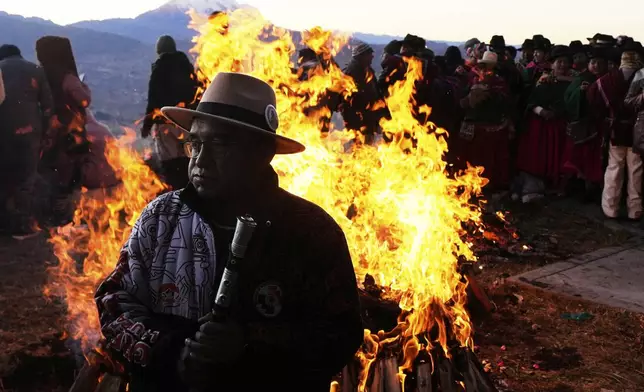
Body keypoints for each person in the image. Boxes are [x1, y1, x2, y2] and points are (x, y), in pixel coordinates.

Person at [94, 72, 363, 391]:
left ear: (262, 153)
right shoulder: (161, 217)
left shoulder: (310, 230)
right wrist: (175, 352)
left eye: (220, 144)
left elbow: (341, 334)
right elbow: (114, 300)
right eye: (195, 143)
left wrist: (249, 344)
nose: (200, 161)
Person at [36, 36, 92, 226]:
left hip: (46, 133)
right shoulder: (67, 77)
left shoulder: (39, 75)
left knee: (49, 173)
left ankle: (47, 214)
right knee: (68, 177)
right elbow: (83, 100)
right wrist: (83, 86)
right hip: (69, 135)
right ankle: (63, 217)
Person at [0, 44, 54, 238]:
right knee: (26, 178)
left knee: (3, 177)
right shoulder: (36, 70)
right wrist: (47, 134)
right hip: (30, 132)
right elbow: (48, 107)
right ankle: (21, 228)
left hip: (3, 132)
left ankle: (3, 223)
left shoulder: (1, 69)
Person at [588, 42, 644, 220]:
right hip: (639, 131)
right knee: (636, 171)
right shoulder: (642, 77)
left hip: (615, 130)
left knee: (614, 168)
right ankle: (634, 210)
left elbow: (593, 102)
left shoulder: (606, 80)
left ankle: (610, 208)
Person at [517, 45, 576, 198]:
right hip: (542, 125)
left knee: (561, 155)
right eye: (559, 62)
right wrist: (541, 111)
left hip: (562, 125)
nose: (562, 65)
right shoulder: (543, 81)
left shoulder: (573, 83)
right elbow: (532, 101)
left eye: (565, 62)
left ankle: (558, 185)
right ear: (552, 64)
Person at [141, 35, 199, 190]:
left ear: (159, 50)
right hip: (187, 121)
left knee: (170, 162)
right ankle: (192, 190)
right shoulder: (186, 66)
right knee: (189, 158)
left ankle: (175, 194)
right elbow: (196, 92)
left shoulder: (159, 68)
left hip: (165, 123)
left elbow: (153, 99)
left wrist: (146, 125)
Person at [455, 51, 512, 191]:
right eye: (483, 66)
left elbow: (505, 103)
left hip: (490, 126)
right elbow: (461, 99)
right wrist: (470, 98)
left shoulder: (500, 83)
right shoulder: (470, 79)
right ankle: (467, 185)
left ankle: (486, 187)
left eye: (488, 66)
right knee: (469, 157)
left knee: (488, 159)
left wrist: (489, 95)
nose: (485, 69)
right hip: (471, 125)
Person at [562, 47, 610, 201]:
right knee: (580, 158)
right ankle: (579, 187)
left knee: (598, 160)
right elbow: (568, 98)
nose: (595, 66)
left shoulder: (608, 80)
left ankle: (595, 189)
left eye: (598, 63)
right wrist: (580, 93)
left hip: (601, 126)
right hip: (583, 127)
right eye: (593, 62)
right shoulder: (581, 79)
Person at [342, 42, 386, 144]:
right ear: (361, 56)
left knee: (366, 147)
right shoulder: (353, 72)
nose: (372, 56)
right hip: (360, 120)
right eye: (369, 53)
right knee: (360, 147)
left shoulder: (366, 70)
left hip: (368, 118)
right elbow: (351, 100)